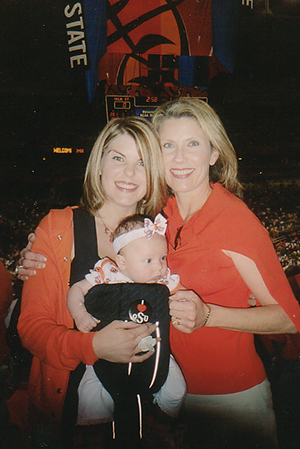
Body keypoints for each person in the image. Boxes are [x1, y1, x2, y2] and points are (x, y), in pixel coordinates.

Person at [18, 98, 300, 448]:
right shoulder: (156, 219)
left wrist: (210, 315)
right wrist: (39, 248)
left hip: (219, 399)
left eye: (192, 144)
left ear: (213, 153)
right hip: (128, 403)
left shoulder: (226, 220)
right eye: (168, 146)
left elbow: (290, 317)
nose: (179, 158)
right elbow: (34, 324)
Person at [16, 116, 172, 448]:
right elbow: (31, 328)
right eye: (118, 158)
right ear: (99, 164)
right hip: (66, 416)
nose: (129, 174)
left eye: (141, 163)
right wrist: (93, 347)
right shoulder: (59, 227)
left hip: (143, 409)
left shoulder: (162, 231)